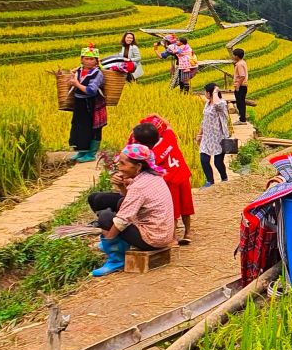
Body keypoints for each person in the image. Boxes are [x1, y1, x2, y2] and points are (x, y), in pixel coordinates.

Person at [86, 143, 176, 277]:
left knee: (105, 217)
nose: (119, 168)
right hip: (163, 234)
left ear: (138, 166)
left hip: (152, 239)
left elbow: (122, 220)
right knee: (110, 202)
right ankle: (117, 245)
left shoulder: (139, 187)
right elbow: (130, 202)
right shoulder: (154, 176)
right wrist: (122, 186)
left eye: (123, 164)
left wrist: (108, 242)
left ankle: (116, 259)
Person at [129, 117, 194, 245]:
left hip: (169, 182)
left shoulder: (151, 155)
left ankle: (173, 237)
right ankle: (188, 232)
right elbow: (168, 125)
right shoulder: (169, 137)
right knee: (186, 206)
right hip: (182, 175)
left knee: (173, 211)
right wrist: (157, 115)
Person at [67, 46, 108, 162]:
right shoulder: (78, 71)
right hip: (79, 102)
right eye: (86, 59)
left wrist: (76, 84)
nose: (89, 61)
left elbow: (91, 90)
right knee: (79, 126)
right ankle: (82, 151)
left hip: (93, 103)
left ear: (96, 61)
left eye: (92, 59)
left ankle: (91, 154)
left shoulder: (97, 73)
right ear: (81, 59)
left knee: (94, 128)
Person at [196, 82, 231, 187]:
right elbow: (204, 120)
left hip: (218, 138)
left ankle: (224, 179)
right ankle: (210, 182)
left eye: (206, 92)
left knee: (218, 163)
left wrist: (215, 91)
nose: (204, 94)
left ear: (210, 93)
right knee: (204, 159)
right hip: (207, 138)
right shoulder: (207, 104)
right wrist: (199, 134)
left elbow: (217, 104)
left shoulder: (222, 104)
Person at [231, 48, 249, 123]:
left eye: (234, 55)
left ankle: (242, 119)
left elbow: (242, 76)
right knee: (241, 103)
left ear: (237, 56)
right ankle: (242, 118)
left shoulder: (239, 65)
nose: (233, 57)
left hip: (241, 86)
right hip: (243, 86)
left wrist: (238, 86)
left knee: (240, 103)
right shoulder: (243, 62)